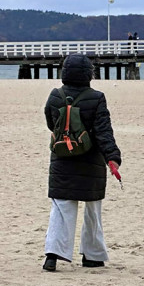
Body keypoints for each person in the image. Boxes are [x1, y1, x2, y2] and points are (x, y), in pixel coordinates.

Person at [42, 54, 122, 272]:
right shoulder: (97, 98)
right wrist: (112, 157)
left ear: (64, 72)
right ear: (89, 74)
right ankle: (92, 255)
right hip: (90, 161)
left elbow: (51, 122)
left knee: (61, 208)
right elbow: (104, 131)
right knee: (92, 210)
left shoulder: (55, 95)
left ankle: (53, 254)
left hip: (62, 158)